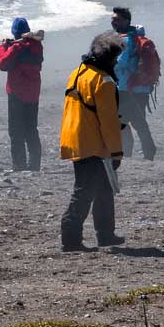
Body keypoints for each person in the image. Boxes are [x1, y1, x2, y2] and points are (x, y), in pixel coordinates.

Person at [59, 30, 127, 252]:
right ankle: (71, 238)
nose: (116, 62)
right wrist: (116, 152)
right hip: (92, 144)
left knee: (103, 189)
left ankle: (106, 234)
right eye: (115, 58)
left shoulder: (79, 72)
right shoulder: (104, 81)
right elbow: (108, 122)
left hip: (74, 136)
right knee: (85, 190)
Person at [0, 17, 44, 171]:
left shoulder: (17, 47)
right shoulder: (37, 45)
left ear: (15, 32)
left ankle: (19, 164)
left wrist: (3, 46)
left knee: (16, 130)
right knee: (31, 129)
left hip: (17, 93)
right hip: (33, 94)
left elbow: (2, 64)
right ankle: (35, 164)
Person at [111, 6, 157, 161]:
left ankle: (139, 152)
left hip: (127, 88)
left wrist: (106, 63)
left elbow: (121, 63)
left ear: (126, 21)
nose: (113, 22)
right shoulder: (133, 36)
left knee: (127, 122)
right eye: (113, 19)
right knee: (136, 121)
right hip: (139, 88)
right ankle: (145, 152)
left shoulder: (127, 39)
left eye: (117, 19)